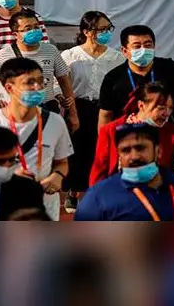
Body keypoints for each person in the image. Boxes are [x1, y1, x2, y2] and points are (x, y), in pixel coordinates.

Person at [0, 57, 73, 221]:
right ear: (9, 88)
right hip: (1, 208)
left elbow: (62, 162)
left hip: (44, 208)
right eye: (29, 83)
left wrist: (57, 175)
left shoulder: (56, 122)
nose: (38, 87)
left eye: (41, 81)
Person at [90, 83, 174, 203]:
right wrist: (95, 199)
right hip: (118, 197)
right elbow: (99, 169)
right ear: (141, 105)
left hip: (157, 197)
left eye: (170, 108)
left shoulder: (171, 131)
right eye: (161, 108)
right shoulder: (111, 130)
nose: (166, 113)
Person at [75, 122, 174, 221]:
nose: (134, 156)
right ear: (118, 155)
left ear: (158, 151)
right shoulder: (99, 197)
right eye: (125, 150)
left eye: (141, 148)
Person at [59, 11, 126, 213]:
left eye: (109, 29)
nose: (106, 33)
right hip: (79, 107)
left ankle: (99, 192)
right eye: (101, 29)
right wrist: (67, 106)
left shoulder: (117, 57)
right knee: (77, 150)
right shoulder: (70, 56)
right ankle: (73, 191)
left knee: (103, 150)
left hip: (107, 108)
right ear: (87, 31)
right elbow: (61, 84)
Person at [97, 24, 174, 138]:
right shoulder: (113, 78)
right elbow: (106, 115)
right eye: (137, 46)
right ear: (124, 51)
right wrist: (105, 142)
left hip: (170, 137)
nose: (143, 50)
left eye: (148, 45)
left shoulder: (172, 69)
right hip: (129, 141)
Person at [0, 10, 79, 131]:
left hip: (47, 109)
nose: (34, 31)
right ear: (16, 34)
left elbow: (64, 79)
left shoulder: (51, 50)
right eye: (28, 28)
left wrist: (73, 113)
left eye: (36, 27)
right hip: (18, 112)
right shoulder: (4, 54)